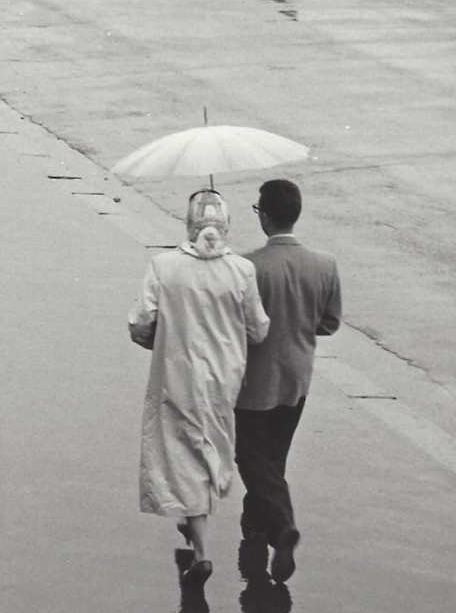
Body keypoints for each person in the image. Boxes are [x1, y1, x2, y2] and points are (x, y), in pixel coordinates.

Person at [129, 189, 269, 588]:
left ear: (188, 225)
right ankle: (195, 525)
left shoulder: (164, 266)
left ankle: (202, 550)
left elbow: (141, 324)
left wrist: (161, 341)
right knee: (211, 448)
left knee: (182, 454)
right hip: (224, 380)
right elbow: (257, 329)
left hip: (176, 377)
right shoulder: (241, 271)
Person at [235, 179, 342, 584]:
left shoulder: (248, 266)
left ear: (263, 215)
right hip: (297, 378)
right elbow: (329, 322)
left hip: (254, 381)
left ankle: (280, 527)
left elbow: (237, 326)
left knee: (249, 456)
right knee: (273, 458)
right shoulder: (324, 264)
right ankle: (257, 524)